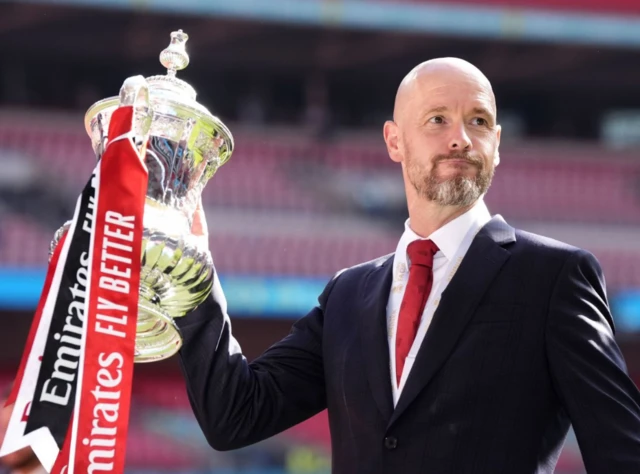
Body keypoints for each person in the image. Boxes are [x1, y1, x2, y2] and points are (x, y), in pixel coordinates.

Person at [176, 58, 640, 473]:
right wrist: (188, 263)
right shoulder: (347, 296)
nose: (460, 138)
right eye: (437, 119)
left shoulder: (555, 277)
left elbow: (623, 453)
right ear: (394, 141)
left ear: (495, 143)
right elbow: (234, 415)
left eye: (478, 121)